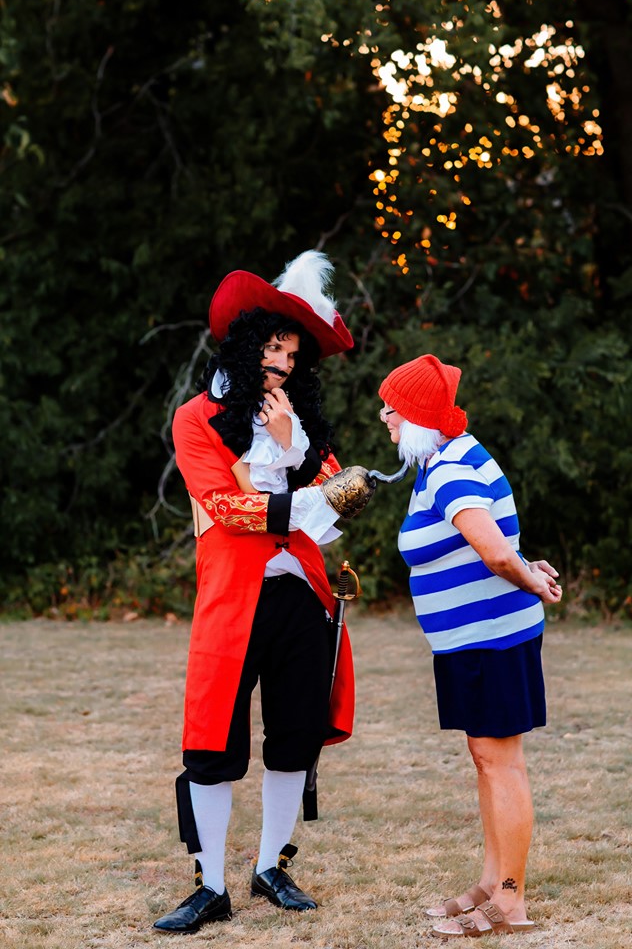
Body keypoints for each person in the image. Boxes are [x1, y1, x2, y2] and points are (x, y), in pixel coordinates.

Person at [154, 251, 374, 934]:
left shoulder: (301, 425)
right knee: (212, 746)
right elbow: (225, 505)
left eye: (293, 352)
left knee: (295, 737)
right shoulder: (196, 419)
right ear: (248, 347)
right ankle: (211, 884)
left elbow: (339, 499)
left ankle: (272, 864)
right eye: (272, 347)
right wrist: (303, 498)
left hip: (302, 597)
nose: (281, 362)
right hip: (231, 598)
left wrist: (293, 448)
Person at [378, 354, 562, 939]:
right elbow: (498, 545)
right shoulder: (439, 461)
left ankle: (510, 901)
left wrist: (531, 578)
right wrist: (524, 566)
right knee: (486, 759)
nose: (385, 415)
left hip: (492, 640)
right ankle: (490, 881)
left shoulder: (452, 467)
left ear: (420, 416)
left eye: (394, 407)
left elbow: (494, 552)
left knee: (501, 762)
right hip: (469, 642)